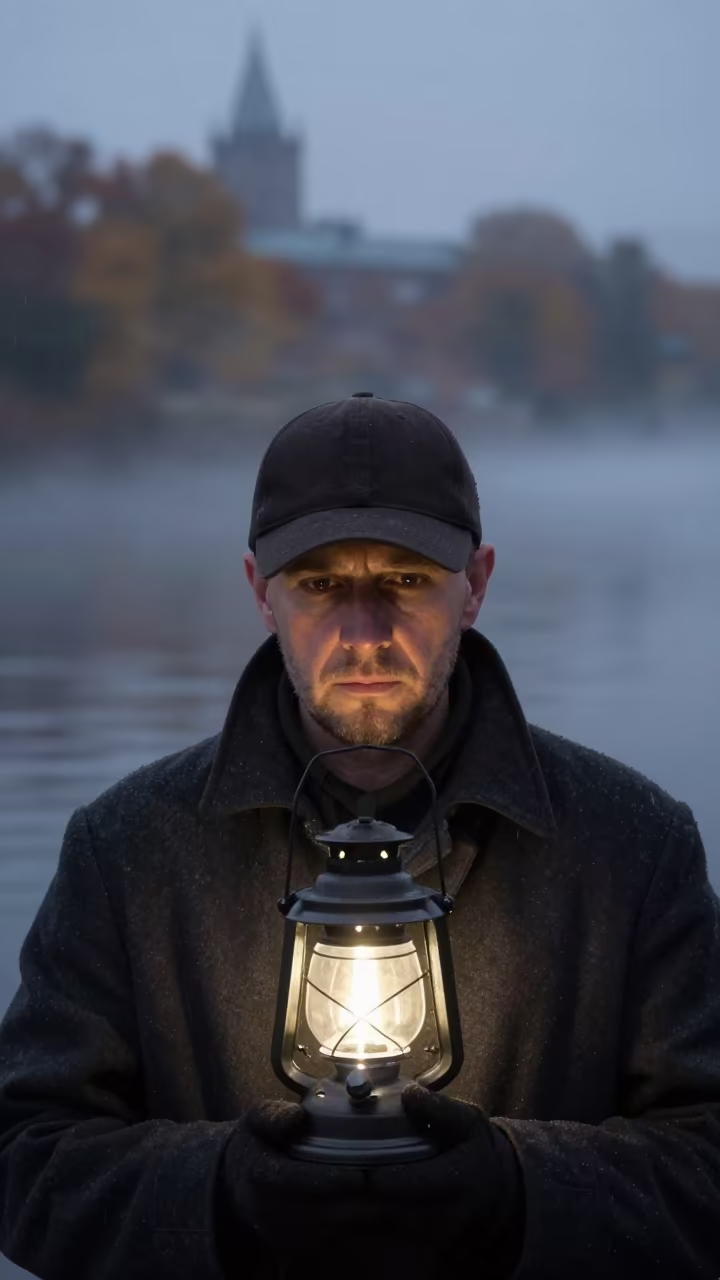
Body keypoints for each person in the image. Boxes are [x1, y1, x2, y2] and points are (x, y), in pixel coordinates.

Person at [0, 392, 719, 1280]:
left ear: (478, 585)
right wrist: (222, 1190)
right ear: (262, 593)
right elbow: (26, 1155)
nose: (364, 632)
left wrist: (518, 1190)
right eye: (321, 584)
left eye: (407, 581)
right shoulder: (127, 850)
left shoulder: (631, 847)